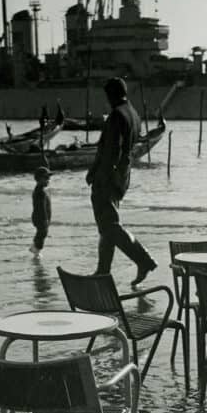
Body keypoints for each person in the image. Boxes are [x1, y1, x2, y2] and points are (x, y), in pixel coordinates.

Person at [86, 77, 157, 286]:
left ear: (112, 94)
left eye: (108, 96)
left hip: (108, 176)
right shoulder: (134, 115)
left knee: (110, 225)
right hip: (122, 175)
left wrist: (98, 173)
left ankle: (143, 259)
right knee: (107, 225)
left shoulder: (117, 115)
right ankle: (103, 271)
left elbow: (112, 150)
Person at [30, 165, 52, 257]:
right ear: (38, 179)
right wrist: (45, 219)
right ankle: (36, 250)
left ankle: (35, 247)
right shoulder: (40, 192)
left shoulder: (40, 190)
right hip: (40, 217)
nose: (48, 180)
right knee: (42, 232)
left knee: (41, 233)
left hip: (39, 216)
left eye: (49, 178)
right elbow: (41, 207)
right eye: (46, 178)